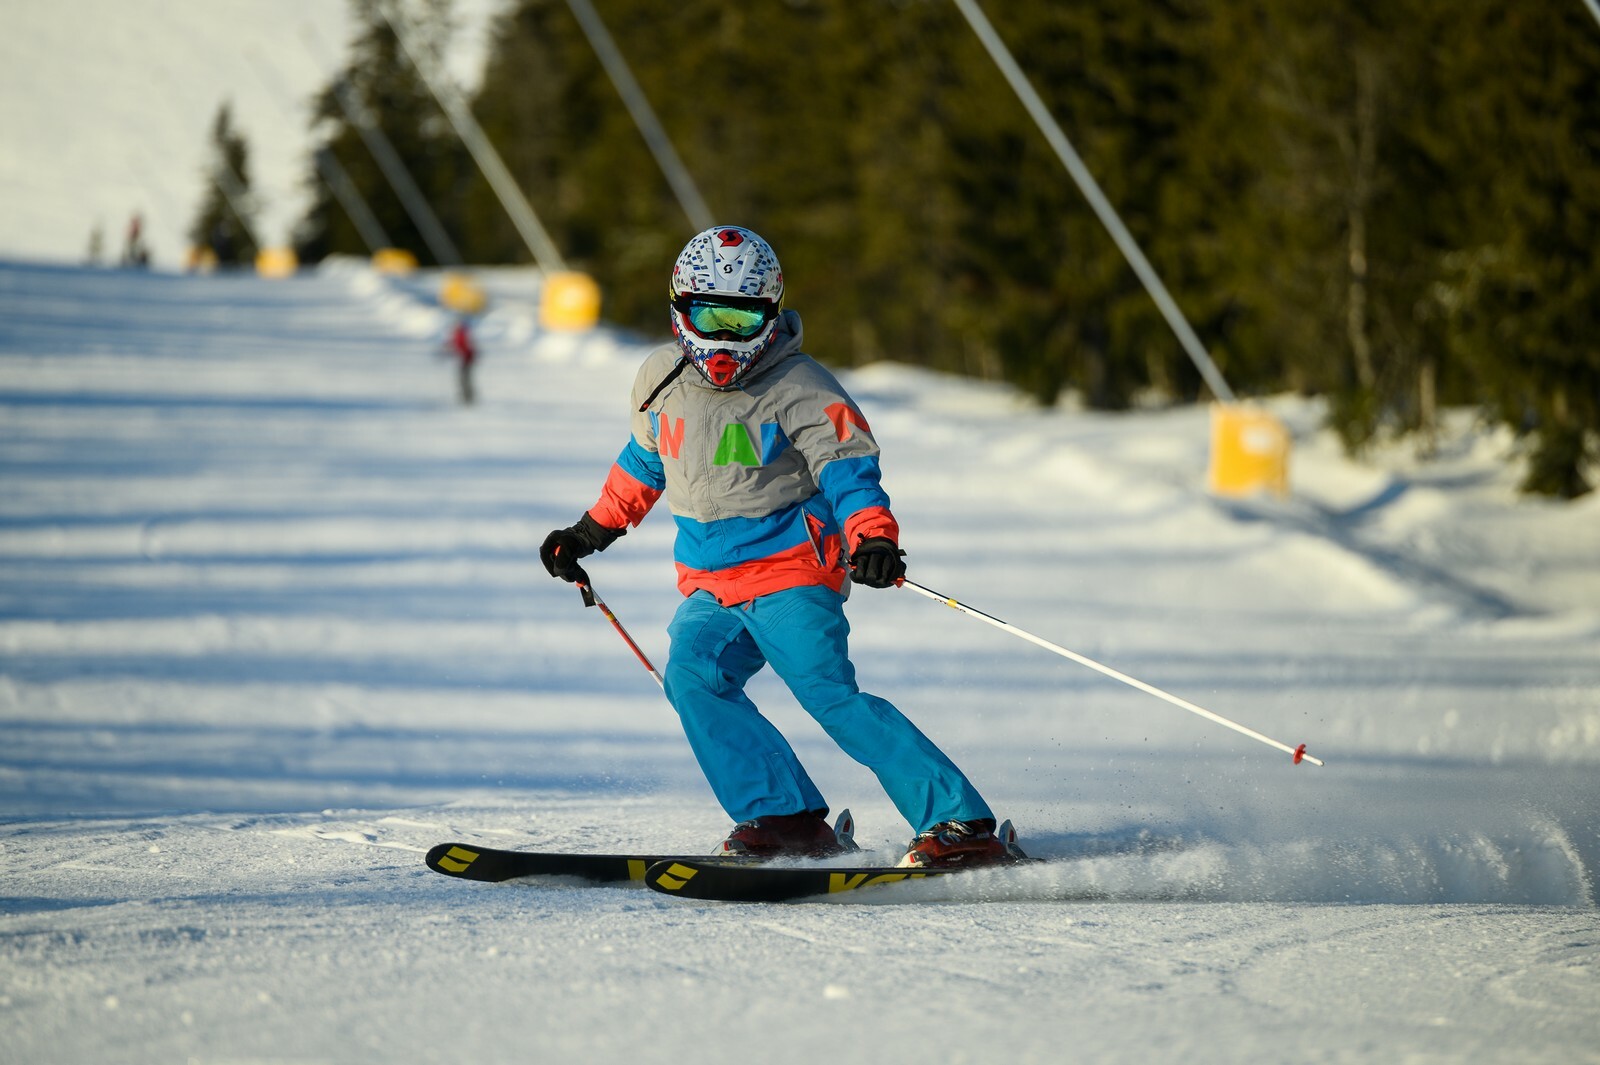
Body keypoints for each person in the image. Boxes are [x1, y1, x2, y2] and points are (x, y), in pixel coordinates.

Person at [540, 225, 1020, 869]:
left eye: (743, 319)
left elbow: (847, 469)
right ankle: (784, 816)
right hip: (710, 579)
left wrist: (872, 537)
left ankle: (959, 822)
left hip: (791, 570)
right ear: (680, 308)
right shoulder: (659, 379)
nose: (725, 338)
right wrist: (590, 531)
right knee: (691, 678)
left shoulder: (801, 385)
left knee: (827, 693)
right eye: (710, 316)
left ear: (770, 312)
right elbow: (646, 462)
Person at [446, 316, 477, 405]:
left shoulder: (462, 334)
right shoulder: (458, 334)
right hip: (463, 358)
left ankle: (468, 397)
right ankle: (465, 396)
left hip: (466, 359)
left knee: (465, 378)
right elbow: (454, 344)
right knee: (463, 378)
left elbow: (466, 346)